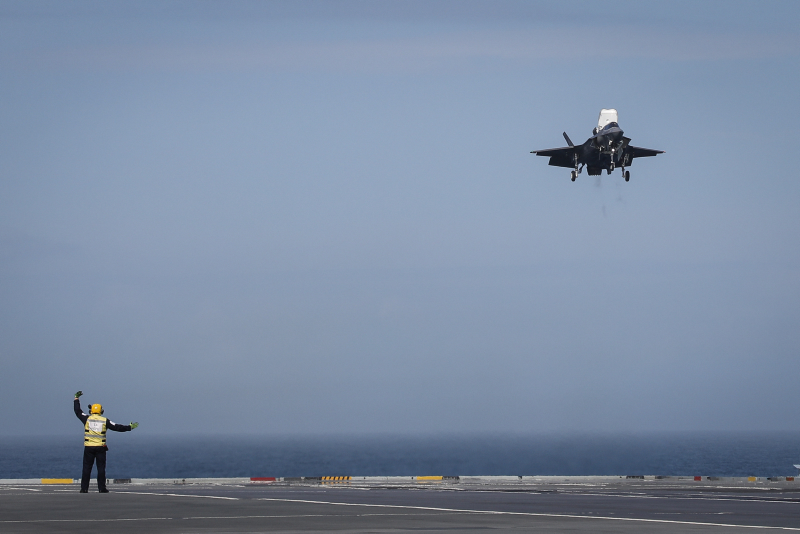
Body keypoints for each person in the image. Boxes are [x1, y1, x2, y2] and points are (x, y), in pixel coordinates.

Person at [73, 391, 139, 493]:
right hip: (100, 448)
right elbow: (117, 427)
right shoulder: (105, 420)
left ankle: (84, 488)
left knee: (86, 468)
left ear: (91, 411)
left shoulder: (87, 419)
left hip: (89, 447)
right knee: (101, 468)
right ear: (101, 411)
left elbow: (78, 411)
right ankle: (102, 488)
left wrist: (76, 399)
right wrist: (129, 427)